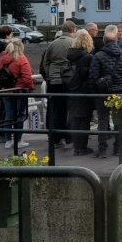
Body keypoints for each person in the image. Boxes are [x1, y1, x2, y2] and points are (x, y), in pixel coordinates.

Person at [90, 24, 122, 158]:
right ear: (116, 41)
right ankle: (118, 148)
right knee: (119, 120)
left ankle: (102, 149)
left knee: (102, 120)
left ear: (104, 41)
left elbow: (92, 77)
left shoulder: (98, 56)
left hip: (103, 92)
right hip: (119, 91)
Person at [40, 19, 77, 148]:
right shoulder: (73, 43)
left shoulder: (52, 44)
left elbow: (46, 62)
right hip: (68, 80)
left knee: (55, 109)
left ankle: (55, 138)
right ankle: (68, 138)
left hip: (53, 80)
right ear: (73, 30)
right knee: (70, 109)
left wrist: (49, 76)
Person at [0, 38, 34, 149]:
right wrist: (30, 88)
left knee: (8, 115)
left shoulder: (1, 59)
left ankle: (8, 141)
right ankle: (18, 140)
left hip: (5, 91)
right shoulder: (21, 59)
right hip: (19, 91)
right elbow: (27, 78)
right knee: (19, 115)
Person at [66, 30, 96, 155]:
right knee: (84, 120)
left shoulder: (70, 55)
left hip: (71, 90)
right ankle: (81, 148)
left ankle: (76, 147)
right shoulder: (88, 57)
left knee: (75, 119)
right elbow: (90, 76)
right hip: (83, 92)